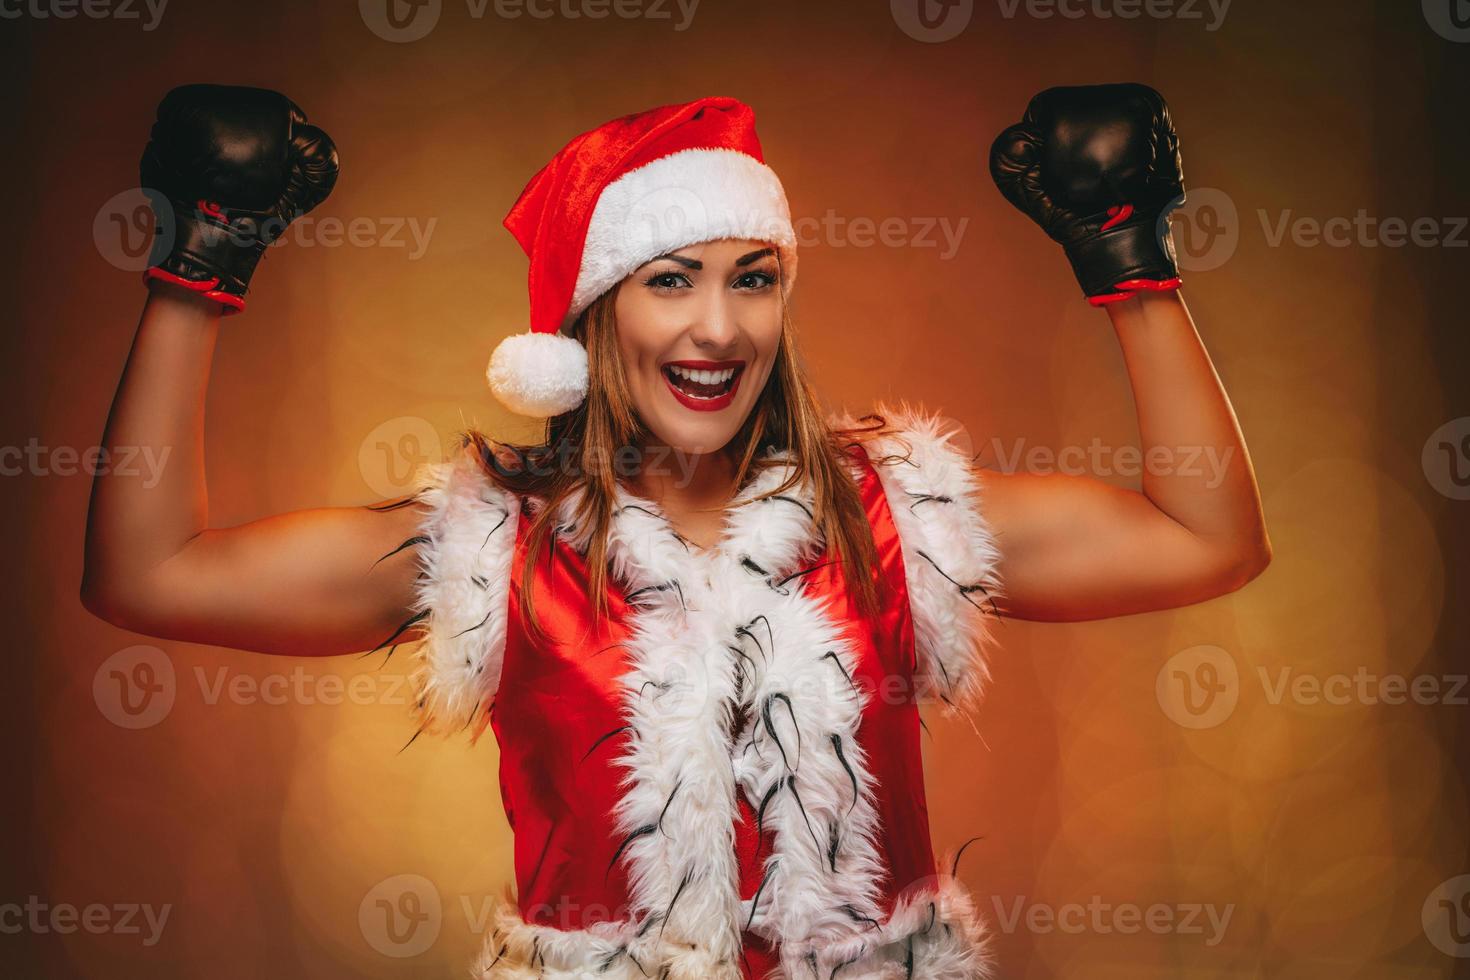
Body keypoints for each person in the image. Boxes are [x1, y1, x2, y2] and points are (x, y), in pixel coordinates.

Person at [82, 84, 1271, 979]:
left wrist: (1132, 266)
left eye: (753, 278)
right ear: (592, 317)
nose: (719, 327)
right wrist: (201, 272)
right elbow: (150, 571)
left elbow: (1205, 536)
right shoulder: (498, 549)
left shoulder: (893, 517)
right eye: (669, 280)